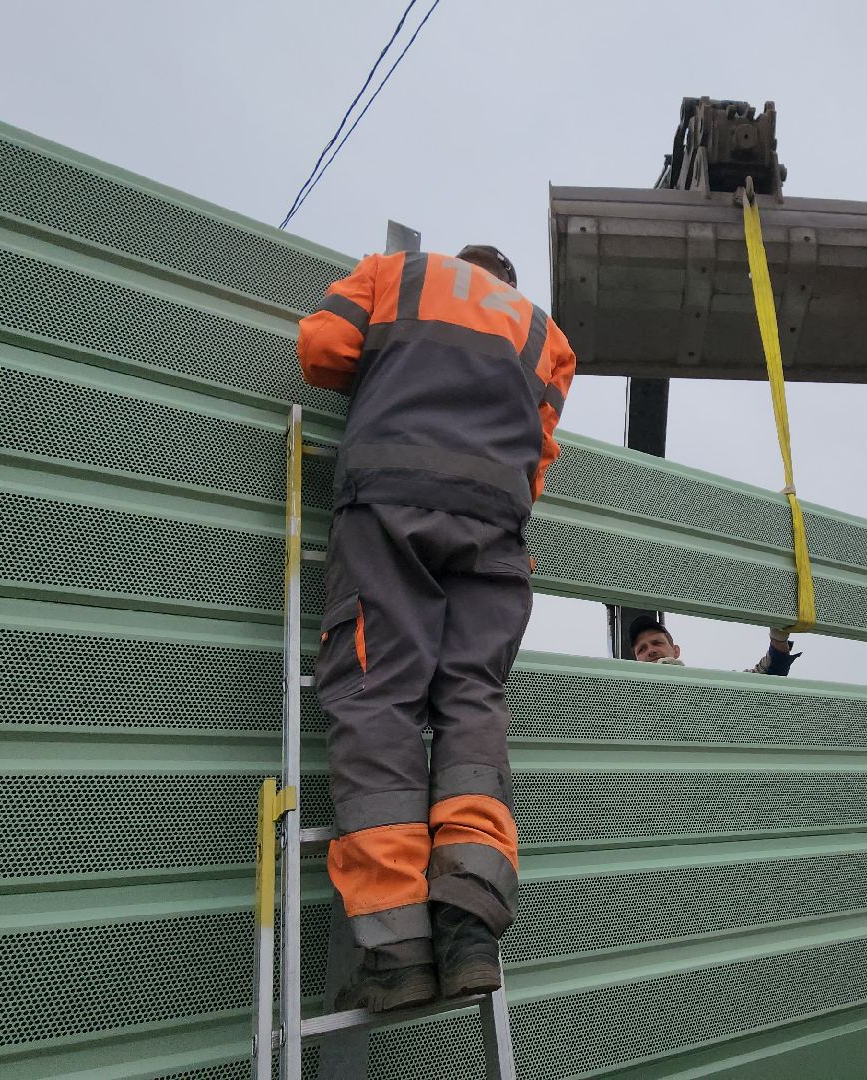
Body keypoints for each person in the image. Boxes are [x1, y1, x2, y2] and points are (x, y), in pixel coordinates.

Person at [298, 244, 576, 1011]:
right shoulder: (545, 335)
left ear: (463, 260)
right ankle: (469, 924)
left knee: (377, 697)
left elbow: (321, 351)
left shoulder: (397, 272)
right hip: (495, 530)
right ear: (509, 283)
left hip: (389, 504)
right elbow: (537, 461)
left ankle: (396, 950)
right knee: (472, 700)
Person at [627, 614, 800, 676]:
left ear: (676, 651)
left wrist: (778, 638)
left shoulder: (708, 685)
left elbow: (767, 675)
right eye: (642, 649)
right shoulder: (623, 696)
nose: (650, 650)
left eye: (656, 642)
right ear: (635, 660)